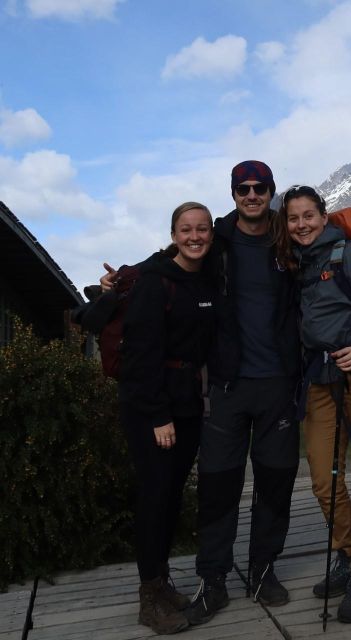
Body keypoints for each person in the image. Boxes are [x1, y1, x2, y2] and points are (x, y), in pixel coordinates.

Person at [101, 161, 301, 626]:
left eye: (260, 188)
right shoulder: (218, 239)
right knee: (217, 487)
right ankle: (213, 578)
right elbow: (173, 259)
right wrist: (123, 279)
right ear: (233, 194)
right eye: (243, 188)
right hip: (226, 386)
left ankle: (263, 568)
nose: (251, 195)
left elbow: (331, 236)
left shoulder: (288, 238)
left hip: (277, 383)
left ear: (271, 192)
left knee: (275, 483)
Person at [274, 184, 351, 623]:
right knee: (325, 481)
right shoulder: (296, 266)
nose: (302, 224)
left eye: (309, 215)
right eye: (293, 218)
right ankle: (345, 554)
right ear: (286, 225)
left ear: (323, 217)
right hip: (322, 380)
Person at [120, 202, 216, 635]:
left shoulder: (205, 279)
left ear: (211, 233)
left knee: (172, 497)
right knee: (155, 499)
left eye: (202, 229)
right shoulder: (155, 283)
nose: (194, 236)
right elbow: (140, 357)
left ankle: (161, 586)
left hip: (187, 405)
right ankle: (148, 599)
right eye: (186, 229)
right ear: (173, 234)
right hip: (154, 409)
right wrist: (158, 415)